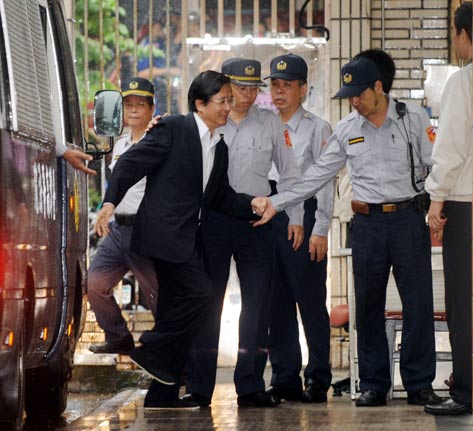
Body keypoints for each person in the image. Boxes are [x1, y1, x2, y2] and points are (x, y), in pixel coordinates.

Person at [252, 52, 443, 407]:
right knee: (367, 306)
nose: (354, 102)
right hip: (367, 225)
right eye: (349, 96)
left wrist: (438, 202)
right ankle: (373, 384)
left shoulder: (413, 119)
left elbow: (437, 163)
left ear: (378, 88)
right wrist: (277, 203)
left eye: (359, 94)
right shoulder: (346, 130)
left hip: (408, 220)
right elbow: (316, 176)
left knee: (418, 304)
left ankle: (419, 384)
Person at [94, 70, 255, 409]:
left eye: (230, 100)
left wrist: (254, 204)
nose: (229, 107)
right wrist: (109, 203)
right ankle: (149, 349)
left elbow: (220, 196)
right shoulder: (173, 128)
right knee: (203, 294)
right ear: (200, 103)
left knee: (172, 312)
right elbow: (130, 164)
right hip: (163, 236)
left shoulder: (219, 146)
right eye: (223, 101)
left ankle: (161, 396)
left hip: (188, 239)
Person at [182, 58, 303, 408]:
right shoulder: (209, 121)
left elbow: (290, 174)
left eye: (253, 88)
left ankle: (250, 385)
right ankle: (199, 388)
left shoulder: (270, 123)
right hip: (214, 222)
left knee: (257, 306)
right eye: (239, 88)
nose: (247, 95)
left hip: (257, 223)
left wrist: (294, 216)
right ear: (224, 87)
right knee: (208, 304)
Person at [263, 54, 334, 403]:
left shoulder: (317, 128)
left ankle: (318, 377)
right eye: (275, 85)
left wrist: (320, 227)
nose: (279, 92)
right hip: (267, 216)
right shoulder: (263, 124)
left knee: (310, 300)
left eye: (287, 86)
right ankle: (285, 377)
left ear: (303, 89)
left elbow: (325, 181)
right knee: (276, 302)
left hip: (304, 215)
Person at [424, 1, 473, 416]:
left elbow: (451, 146)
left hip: (466, 206)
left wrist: (435, 199)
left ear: (463, 34)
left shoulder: (465, 80)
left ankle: (468, 390)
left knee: (463, 300)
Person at [88, 77, 159, 355]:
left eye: (140, 104)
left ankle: (174, 352)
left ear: (152, 109)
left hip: (145, 230)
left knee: (157, 295)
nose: (133, 110)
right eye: (129, 104)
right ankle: (118, 337)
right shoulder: (120, 145)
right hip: (118, 229)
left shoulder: (158, 143)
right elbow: (116, 186)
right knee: (96, 283)